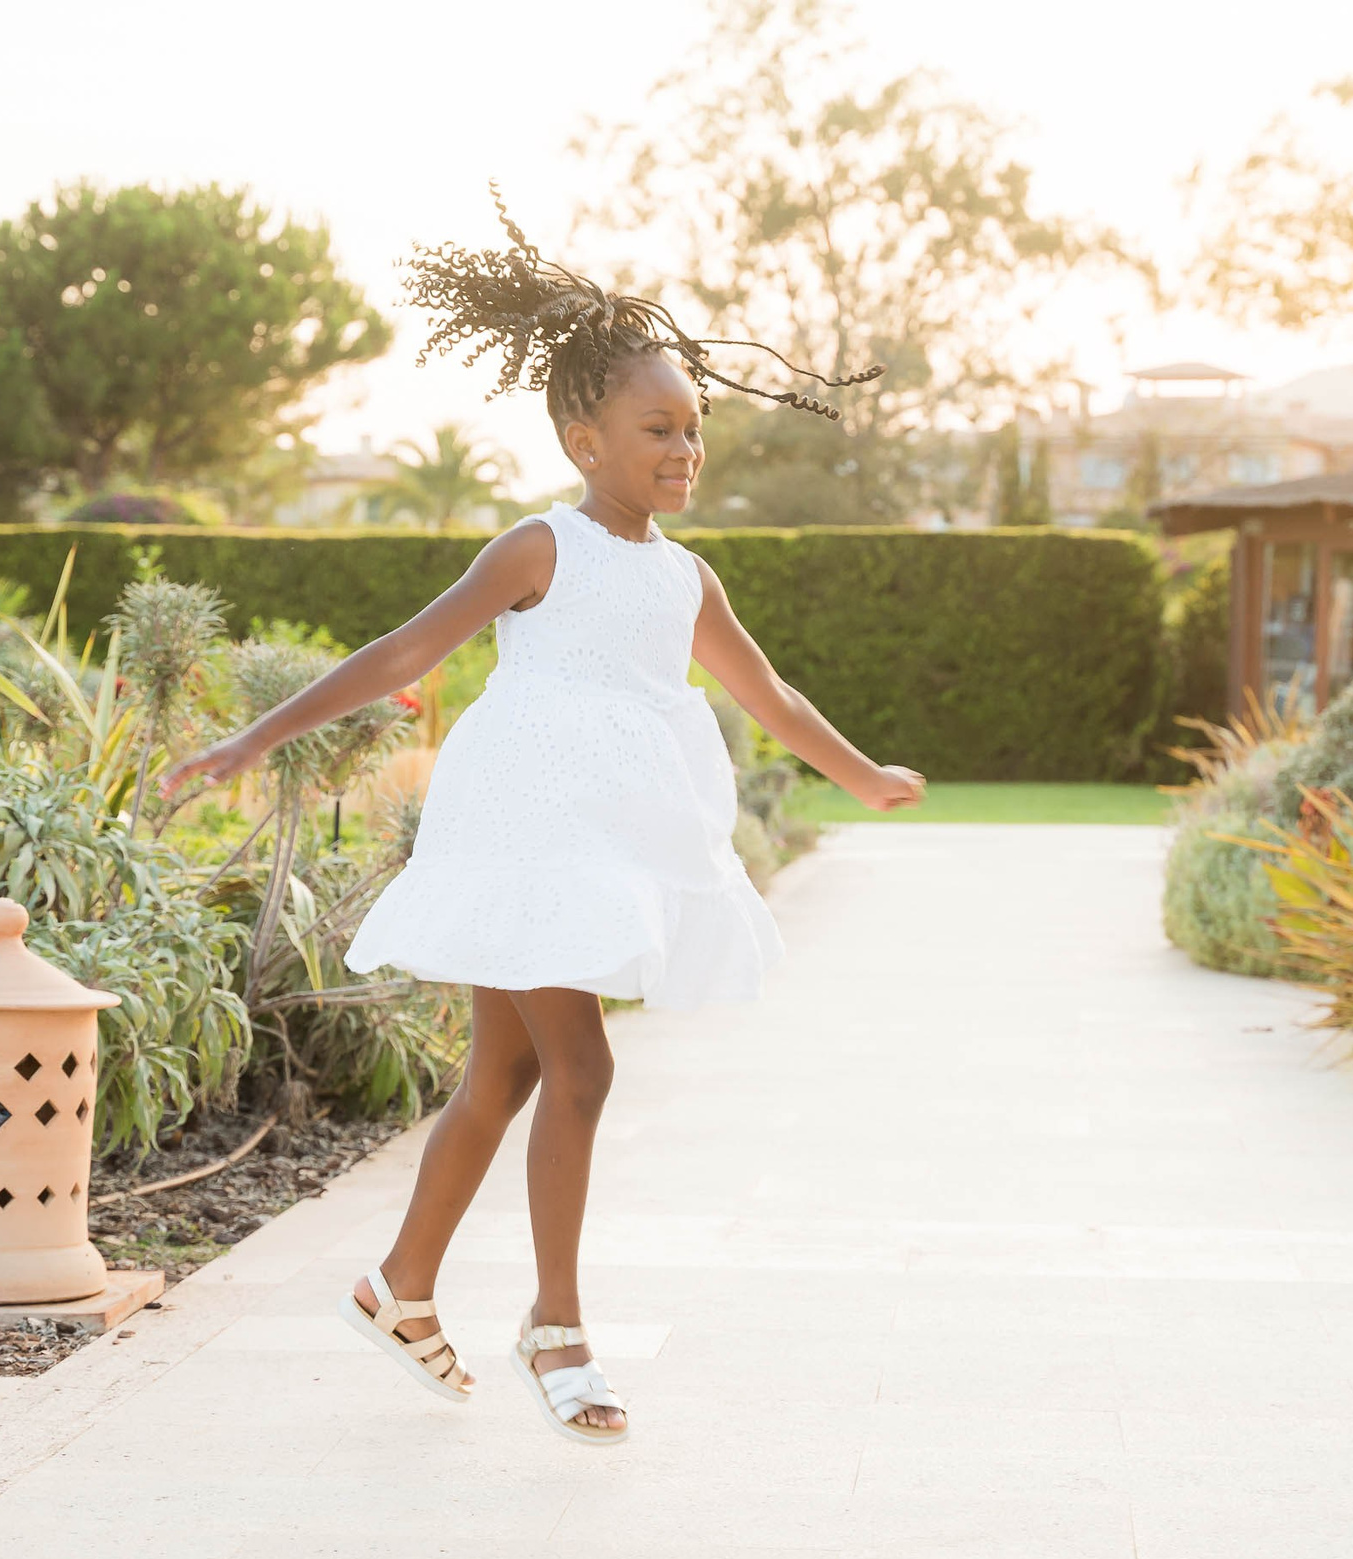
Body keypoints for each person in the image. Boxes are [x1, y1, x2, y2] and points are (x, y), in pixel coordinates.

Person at [163, 194, 925, 1444]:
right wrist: (256, 734)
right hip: (523, 826)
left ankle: (398, 1286)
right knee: (582, 1067)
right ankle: (556, 1326)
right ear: (584, 439)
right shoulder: (540, 548)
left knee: (509, 1073)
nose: (682, 447)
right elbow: (405, 647)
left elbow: (765, 691)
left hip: (607, 832)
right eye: (655, 428)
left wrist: (860, 774)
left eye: (694, 429)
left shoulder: (685, 574)